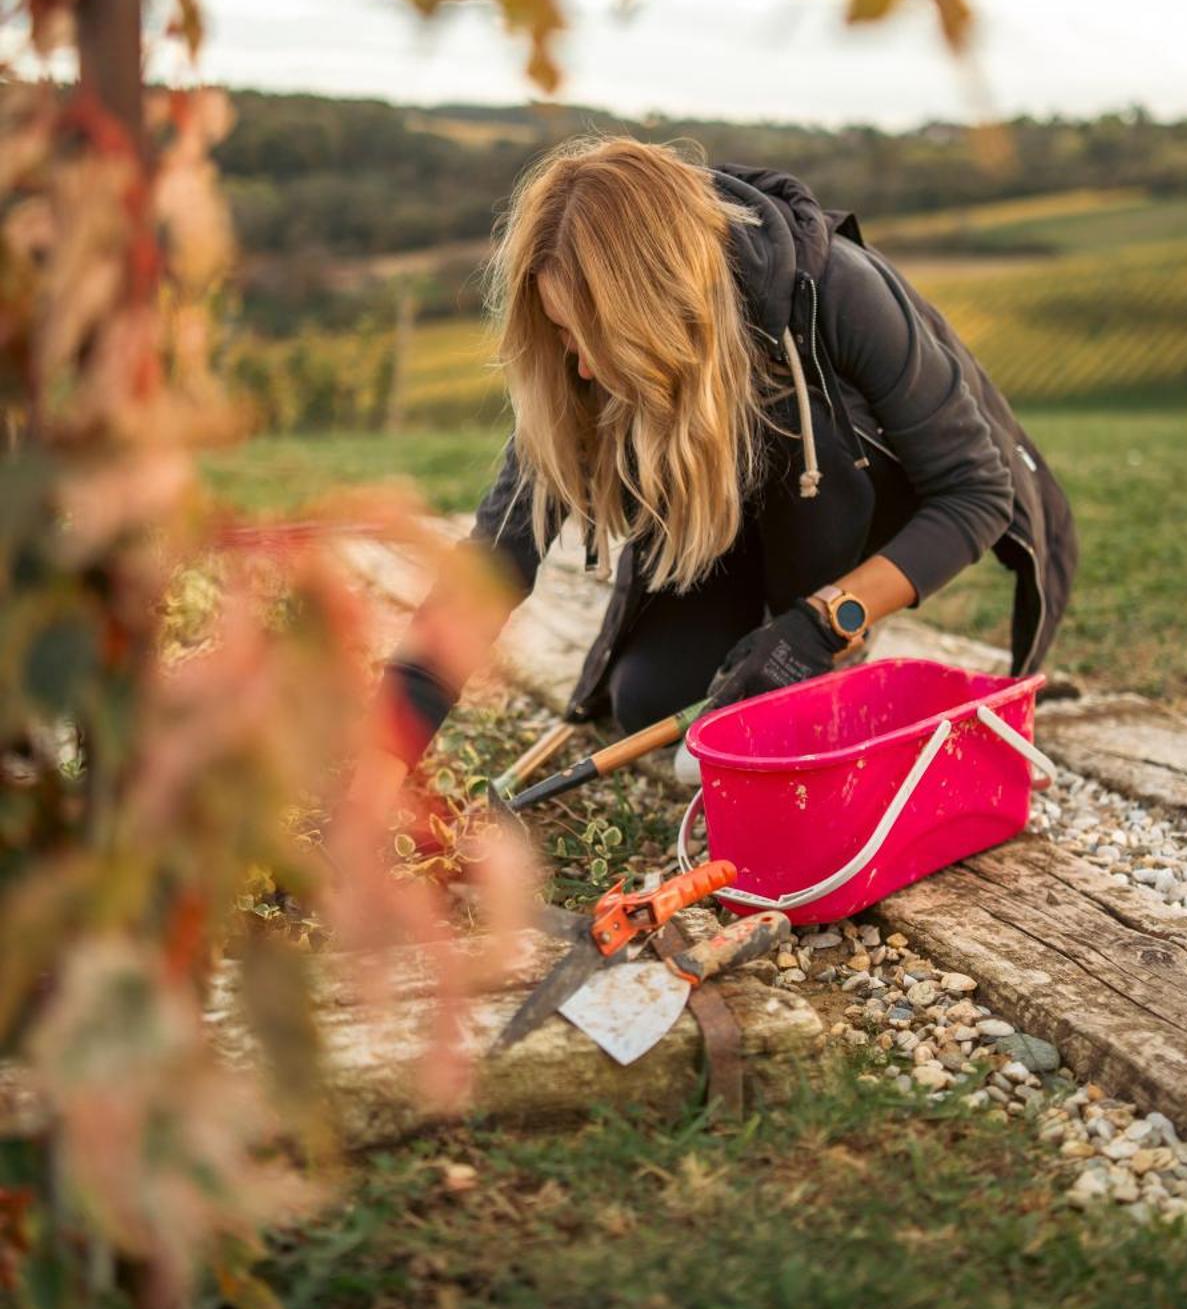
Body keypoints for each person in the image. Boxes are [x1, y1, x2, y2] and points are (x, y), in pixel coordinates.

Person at [365, 135, 1077, 820]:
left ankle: (831, 620)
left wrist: (823, 622)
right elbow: (488, 570)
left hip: (847, 511)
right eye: (561, 333)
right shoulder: (572, 371)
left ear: (662, 314)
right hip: (724, 522)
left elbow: (977, 492)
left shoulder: (838, 292)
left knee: (786, 665)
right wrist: (377, 768)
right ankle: (773, 628)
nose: (577, 365)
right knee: (649, 702)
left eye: (594, 339)